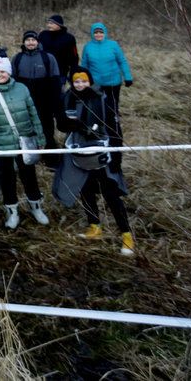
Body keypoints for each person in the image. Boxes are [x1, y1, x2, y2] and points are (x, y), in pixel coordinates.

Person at [55, 67, 134, 255]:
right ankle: (95, 226)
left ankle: (126, 235)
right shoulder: (67, 98)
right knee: (85, 189)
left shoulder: (102, 98)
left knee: (110, 192)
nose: (80, 84)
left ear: (89, 81)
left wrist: (117, 156)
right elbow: (62, 125)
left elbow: (115, 128)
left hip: (102, 152)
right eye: (76, 81)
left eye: (83, 81)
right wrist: (71, 124)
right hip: (78, 152)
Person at [0, 57, 49, 229]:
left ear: (9, 72)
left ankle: (36, 207)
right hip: (1, 144)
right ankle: (12, 212)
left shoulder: (22, 89)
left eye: (3, 71)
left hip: (25, 141)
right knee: (7, 179)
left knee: (29, 176)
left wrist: (40, 138)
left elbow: (33, 114)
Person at [79, 22, 133, 147]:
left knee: (111, 108)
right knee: (97, 107)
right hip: (96, 85)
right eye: (96, 32)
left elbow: (122, 61)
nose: (98, 34)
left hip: (113, 83)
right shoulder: (88, 47)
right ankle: (98, 130)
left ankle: (114, 131)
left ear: (105, 33)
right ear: (92, 34)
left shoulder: (113, 45)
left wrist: (128, 77)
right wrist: (82, 81)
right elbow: (84, 65)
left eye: (101, 32)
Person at [11, 31, 62, 151]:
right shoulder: (17, 58)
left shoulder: (48, 58)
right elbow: (13, 80)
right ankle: (29, 153)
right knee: (26, 127)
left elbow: (55, 81)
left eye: (33, 40)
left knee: (47, 127)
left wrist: (55, 102)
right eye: (28, 40)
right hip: (24, 100)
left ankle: (49, 153)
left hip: (44, 100)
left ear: (37, 42)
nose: (30, 42)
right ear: (24, 42)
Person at [38, 15, 79, 83]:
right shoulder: (43, 35)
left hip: (61, 73)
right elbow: (37, 51)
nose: (48, 25)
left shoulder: (69, 38)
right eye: (48, 23)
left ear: (59, 25)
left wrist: (73, 71)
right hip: (43, 72)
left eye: (51, 23)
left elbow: (74, 57)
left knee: (59, 93)